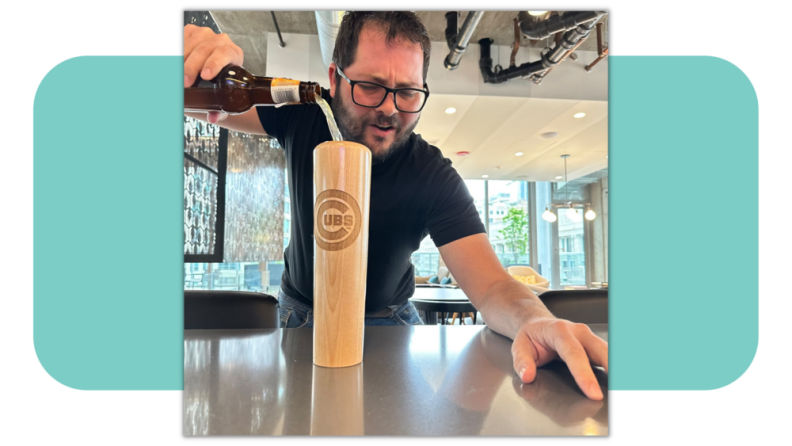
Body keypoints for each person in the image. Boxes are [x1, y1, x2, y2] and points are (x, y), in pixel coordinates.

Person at [183, 11, 608, 401]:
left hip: (388, 322)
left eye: (407, 92)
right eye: (370, 86)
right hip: (300, 317)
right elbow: (204, 105)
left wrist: (534, 319)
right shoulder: (303, 115)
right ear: (334, 79)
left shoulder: (432, 174)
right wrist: (189, 64)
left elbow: (493, 286)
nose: (389, 108)